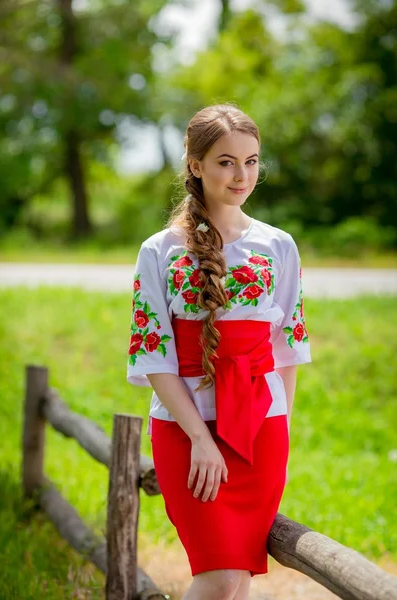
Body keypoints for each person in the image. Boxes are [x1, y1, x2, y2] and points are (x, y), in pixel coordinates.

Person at [127, 103, 311, 600]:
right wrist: (201, 440)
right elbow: (153, 355)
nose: (241, 174)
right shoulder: (159, 250)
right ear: (195, 164)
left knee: (239, 577)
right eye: (226, 161)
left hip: (260, 427)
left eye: (251, 161)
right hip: (186, 430)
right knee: (220, 574)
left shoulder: (279, 246)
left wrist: (284, 433)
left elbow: (288, 348)